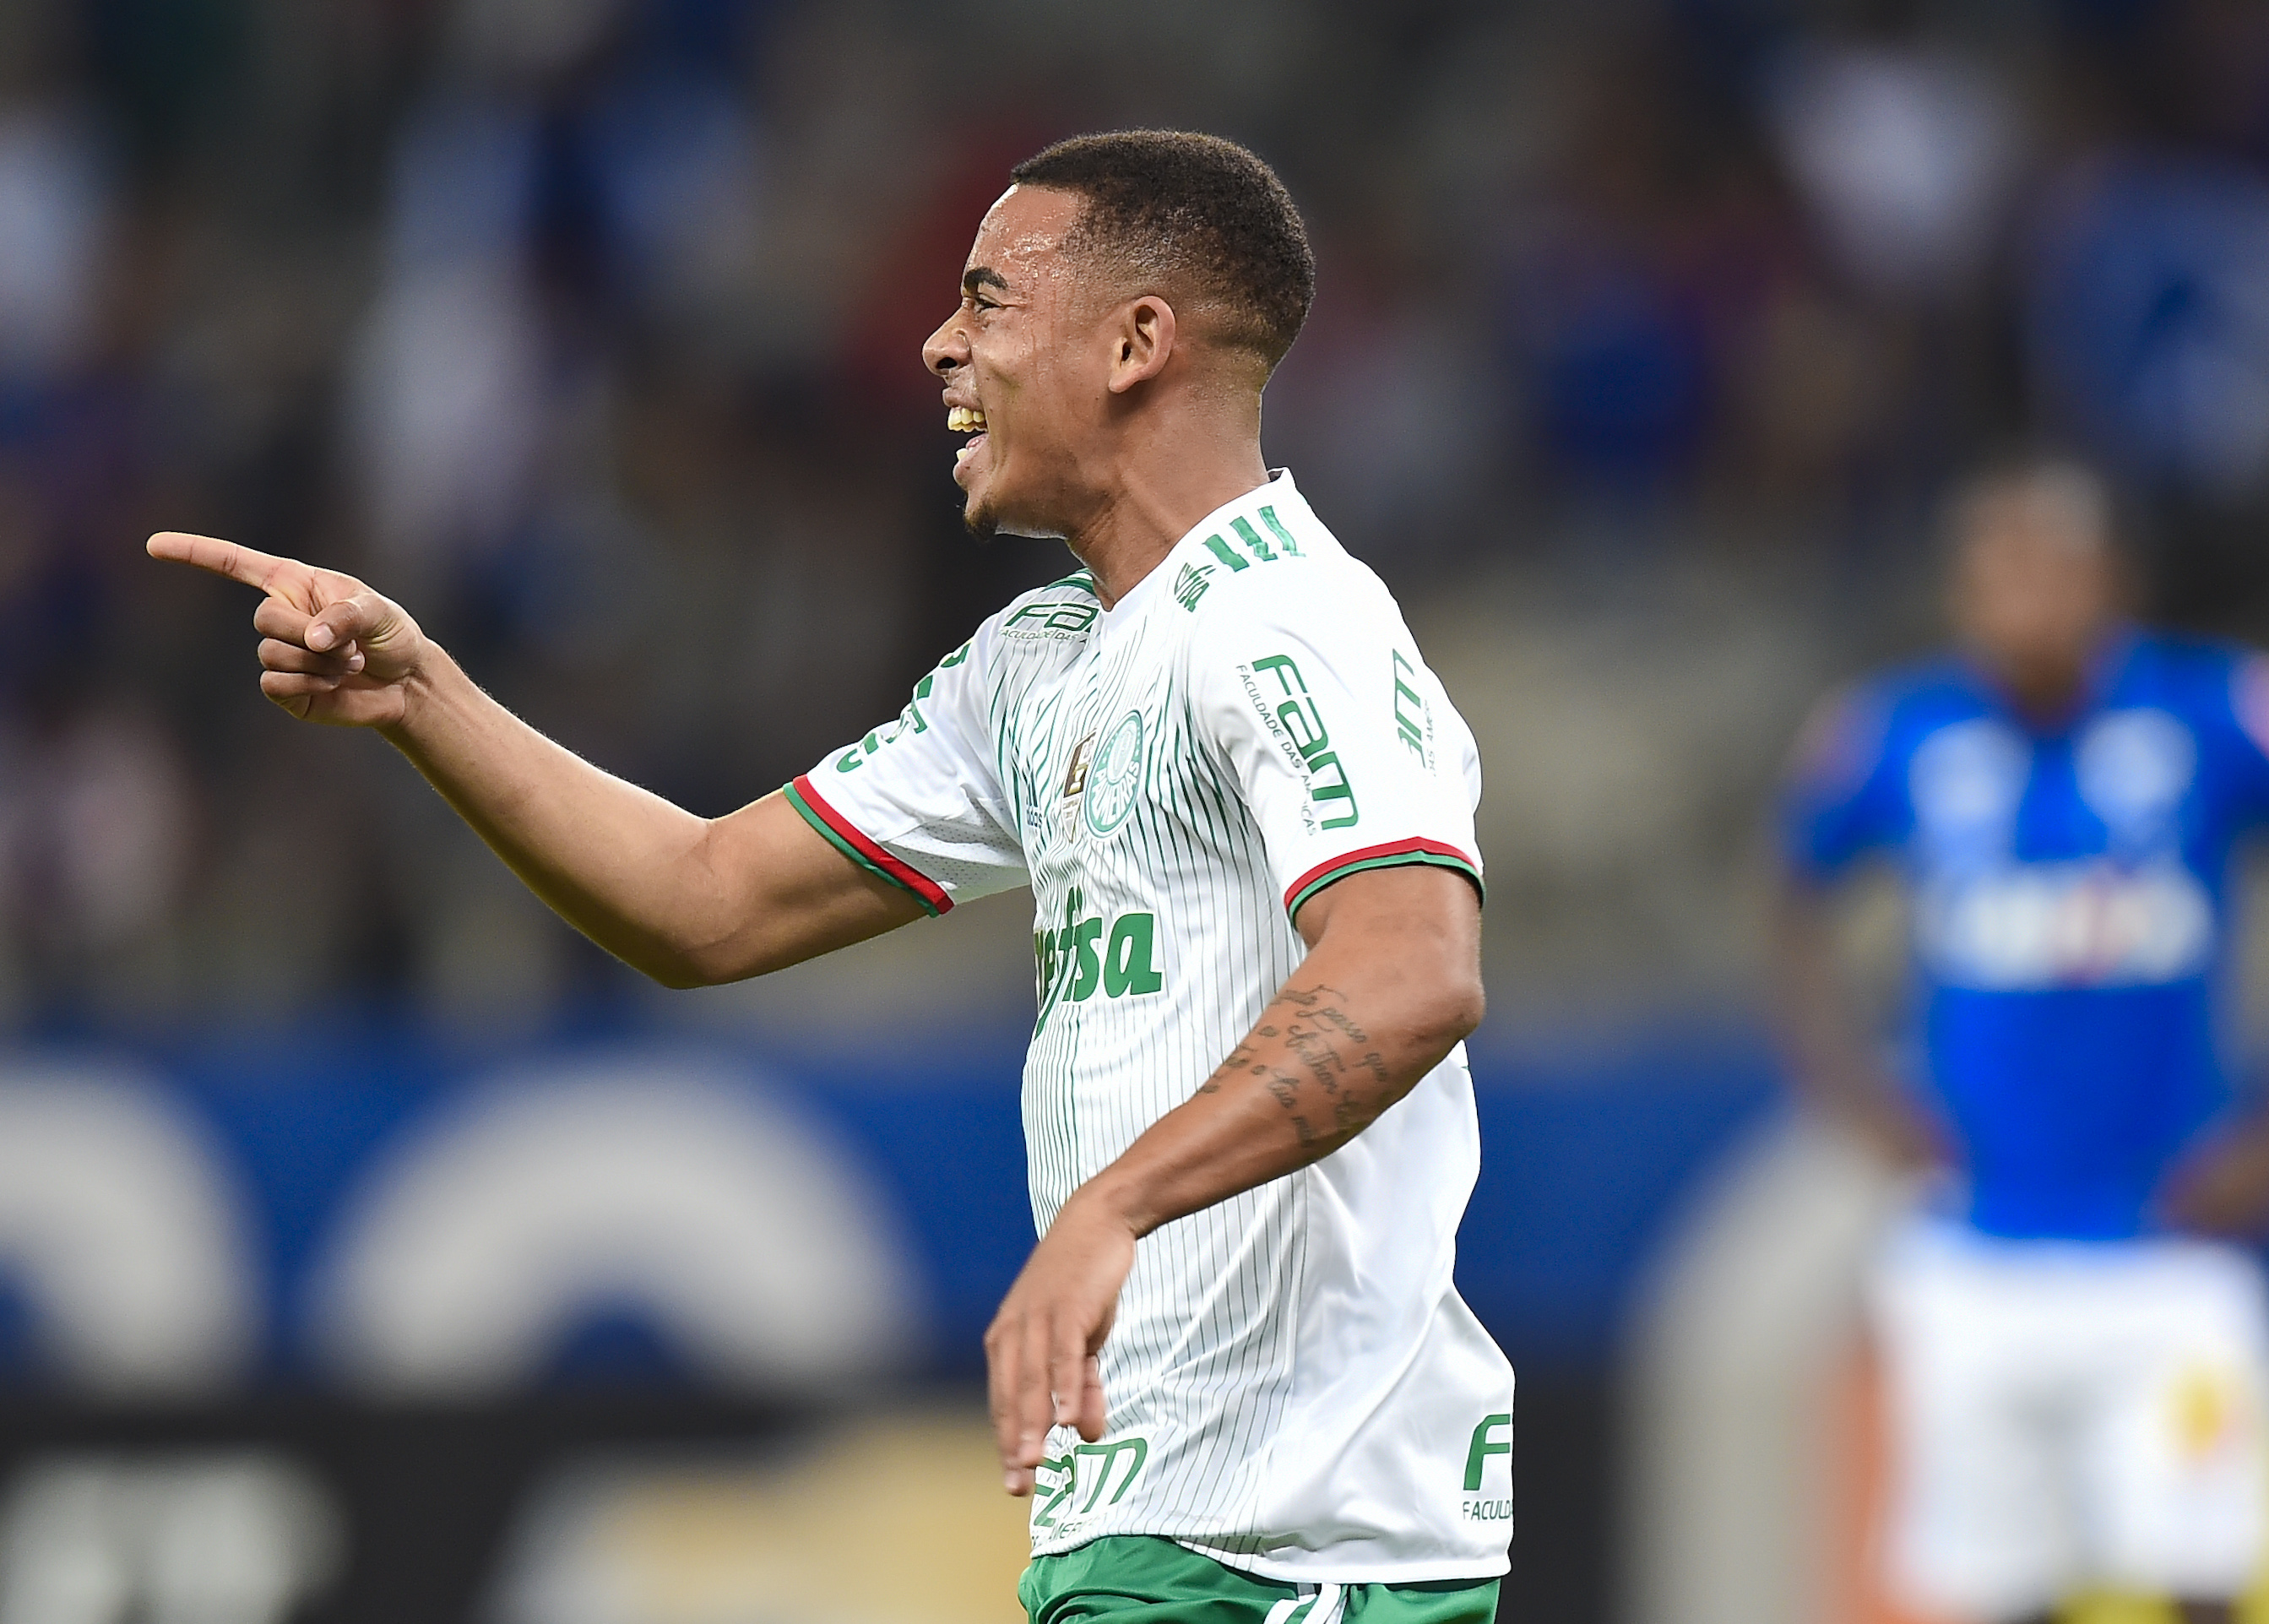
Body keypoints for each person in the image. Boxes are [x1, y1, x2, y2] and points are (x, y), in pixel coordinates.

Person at [149, 131, 1512, 1622]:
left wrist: (1114, 1207)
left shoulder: (1287, 616)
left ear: (1136, 344)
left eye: (989, 301)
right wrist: (424, 698)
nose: (938, 345)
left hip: (1288, 1549)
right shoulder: (1038, 663)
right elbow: (706, 901)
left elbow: (1407, 968)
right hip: (1154, 1526)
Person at [1770, 458, 2269, 1624]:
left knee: (2204, 1586)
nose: (2025, 596)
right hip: (1972, 1248)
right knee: (1990, 1592)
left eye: (2051, 564)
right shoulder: (1899, 733)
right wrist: (1853, 1095)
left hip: (2170, 1242)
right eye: (1995, 568)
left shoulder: (2221, 713)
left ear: (2112, 579)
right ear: (1960, 592)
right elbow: (1787, 892)